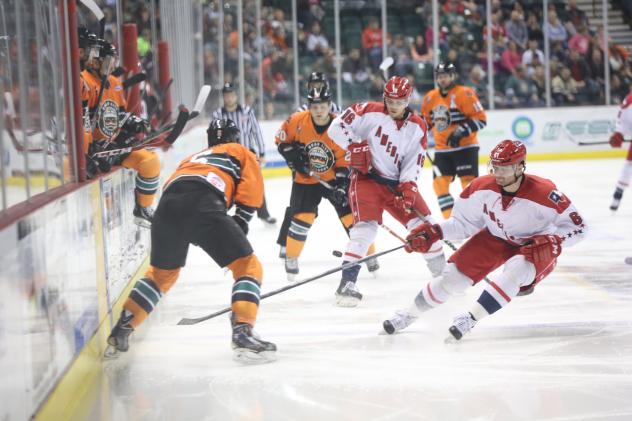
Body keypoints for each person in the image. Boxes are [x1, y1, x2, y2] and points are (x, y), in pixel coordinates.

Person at [107, 119, 277, 363]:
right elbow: (252, 191)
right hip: (204, 203)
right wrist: (241, 221)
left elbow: (173, 186)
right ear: (234, 137)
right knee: (248, 267)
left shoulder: (191, 158)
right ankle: (242, 331)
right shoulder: (241, 151)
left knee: (161, 275)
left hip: (166, 208)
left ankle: (123, 328)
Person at [383, 140, 587, 340]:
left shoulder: (546, 193)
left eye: (504, 168)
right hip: (494, 237)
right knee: (451, 278)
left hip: (533, 247)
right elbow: (463, 224)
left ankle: (470, 318)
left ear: (520, 167)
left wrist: (555, 241)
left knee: (517, 269)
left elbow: (579, 228)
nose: (498, 173)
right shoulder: (481, 187)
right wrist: (435, 232)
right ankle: (409, 314)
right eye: (495, 167)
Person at [328, 76, 446, 307]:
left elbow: (414, 160)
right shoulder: (367, 111)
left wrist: (408, 187)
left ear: (408, 99)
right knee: (365, 229)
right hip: (366, 181)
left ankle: (444, 279)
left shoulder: (418, 127)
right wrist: (354, 144)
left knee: (427, 228)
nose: (394, 105)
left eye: (399, 101)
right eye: (390, 100)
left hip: (396, 186)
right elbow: (336, 127)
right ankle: (347, 283)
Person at [275, 85, 377, 281]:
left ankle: (370, 254)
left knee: (351, 219)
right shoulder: (296, 121)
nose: (319, 110)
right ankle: (291, 258)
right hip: (305, 181)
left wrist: (340, 184)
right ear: (309, 106)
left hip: (332, 178)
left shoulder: (339, 128)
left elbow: (344, 161)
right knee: (302, 219)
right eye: (314, 106)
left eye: (322, 106)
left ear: (330, 105)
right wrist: (292, 155)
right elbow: (281, 141)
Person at [83, 39, 160, 227]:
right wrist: (87, 153)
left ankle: (142, 209)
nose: (112, 66)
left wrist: (134, 122)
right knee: (99, 179)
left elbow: (118, 114)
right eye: (108, 61)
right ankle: (95, 222)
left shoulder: (114, 82)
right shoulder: (84, 82)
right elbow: (82, 122)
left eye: (114, 62)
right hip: (95, 151)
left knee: (150, 161)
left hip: (114, 144)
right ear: (94, 61)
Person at [277, 72, 342, 258]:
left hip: (328, 167)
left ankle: (358, 245)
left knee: (342, 204)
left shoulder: (335, 109)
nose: (316, 87)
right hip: (304, 169)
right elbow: (288, 139)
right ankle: (285, 243)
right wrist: (295, 160)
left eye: (319, 83)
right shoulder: (302, 110)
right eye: (313, 84)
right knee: (297, 207)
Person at [421, 62, 487, 219]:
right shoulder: (430, 97)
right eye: (440, 76)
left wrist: (460, 132)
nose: (442, 79)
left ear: (453, 76)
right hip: (442, 150)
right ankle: (451, 221)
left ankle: (475, 220)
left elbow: (481, 119)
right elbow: (425, 124)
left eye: (445, 76)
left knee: (469, 185)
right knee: (439, 185)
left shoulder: (465, 93)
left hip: (465, 148)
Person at [212, 82, 276, 225]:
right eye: (226, 95)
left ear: (236, 96)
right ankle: (221, 216)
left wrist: (262, 152)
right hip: (227, 156)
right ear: (223, 97)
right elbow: (214, 136)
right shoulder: (218, 114)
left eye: (231, 95)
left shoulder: (247, 111)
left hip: (247, 155)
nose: (229, 98)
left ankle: (264, 214)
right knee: (225, 185)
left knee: (255, 184)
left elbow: (256, 131)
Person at [608, 89, 632, 212]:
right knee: (629, 165)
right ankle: (618, 193)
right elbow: (623, 122)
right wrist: (619, 135)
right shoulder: (629, 101)